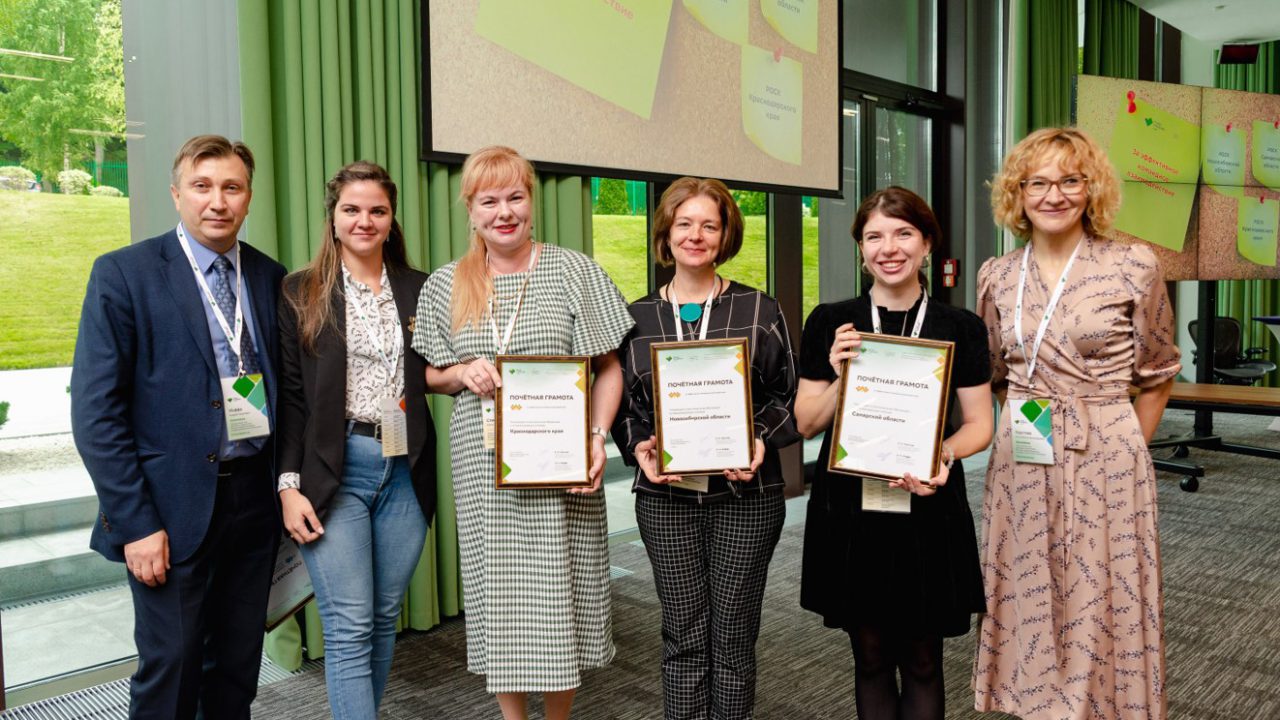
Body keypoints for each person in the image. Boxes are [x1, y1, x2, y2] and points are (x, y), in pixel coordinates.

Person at [412, 145, 633, 720]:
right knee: (501, 599)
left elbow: (609, 367)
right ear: (470, 209)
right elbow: (430, 375)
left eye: (515, 197)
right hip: (484, 466)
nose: (504, 212)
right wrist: (462, 371)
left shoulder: (575, 271)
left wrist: (597, 437)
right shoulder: (445, 284)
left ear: (531, 202)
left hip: (563, 462)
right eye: (489, 201)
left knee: (563, 593)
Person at [70, 135, 286, 719]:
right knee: (173, 666)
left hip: (254, 502)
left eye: (232, 187)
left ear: (248, 197)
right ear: (176, 194)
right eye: (202, 186)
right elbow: (96, 414)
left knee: (237, 666)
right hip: (167, 510)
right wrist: (136, 523)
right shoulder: (124, 274)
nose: (217, 201)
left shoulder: (268, 276)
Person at [972, 127, 1181, 719]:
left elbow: (1158, 370)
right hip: (1026, 444)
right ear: (1017, 193)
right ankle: (1036, 702)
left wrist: (1126, 447)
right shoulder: (997, 275)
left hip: (1106, 446)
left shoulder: (1134, 265)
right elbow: (992, 372)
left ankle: (1104, 704)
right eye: (1037, 182)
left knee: (1103, 585)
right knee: (1030, 580)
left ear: (1092, 189)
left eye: (1070, 180)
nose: (1054, 195)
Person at [796, 187, 993, 720]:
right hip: (851, 509)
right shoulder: (831, 322)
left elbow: (980, 425)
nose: (889, 248)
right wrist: (840, 376)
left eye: (904, 233)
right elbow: (806, 422)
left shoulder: (960, 327)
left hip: (927, 504)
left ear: (927, 243)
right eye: (874, 236)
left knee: (924, 660)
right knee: (871, 657)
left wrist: (942, 456)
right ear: (860, 247)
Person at [613, 177, 800, 720]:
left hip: (747, 497)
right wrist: (639, 446)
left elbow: (788, 396)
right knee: (682, 633)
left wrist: (759, 440)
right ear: (666, 233)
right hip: (666, 498)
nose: (695, 235)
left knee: (734, 636)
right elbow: (623, 407)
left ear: (725, 236)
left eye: (709, 226)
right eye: (684, 224)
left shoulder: (758, 308)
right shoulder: (636, 317)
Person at [274, 161, 437, 719]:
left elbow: (437, 370)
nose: (364, 220)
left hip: (406, 468)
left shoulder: (419, 288)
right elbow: (291, 400)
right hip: (334, 471)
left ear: (391, 220)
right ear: (334, 216)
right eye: (352, 209)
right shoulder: (301, 291)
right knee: (349, 625)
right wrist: (288, 486)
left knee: (383, 617)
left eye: (377, 211)